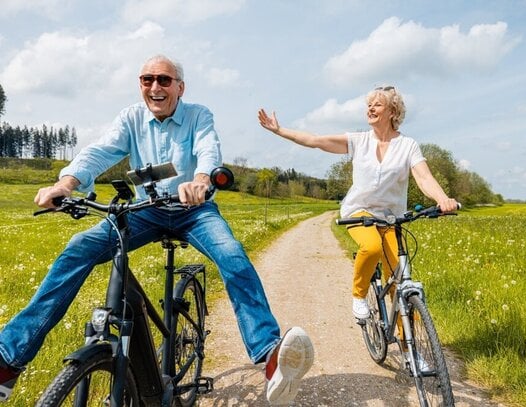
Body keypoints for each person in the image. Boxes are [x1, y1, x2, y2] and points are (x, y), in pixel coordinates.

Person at [0, 55, 313, 405]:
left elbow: (208, 149)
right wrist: (67, 184)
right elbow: (100, 152)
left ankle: (269, 356)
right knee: (78, 247)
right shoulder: (131, 118)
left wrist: (200, 179)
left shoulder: (198, 115)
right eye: (146, 79)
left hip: (194, 209)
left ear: (180, 86)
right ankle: (9, 360)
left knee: (232, 255)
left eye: (164, 80)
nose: (155, 87)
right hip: (145, 211)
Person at [258, 85, 458, 321]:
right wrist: (279, 130)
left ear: (393, 111)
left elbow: (424, 177)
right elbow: (315, 140)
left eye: (377, 104)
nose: (370, 108)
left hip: (391, 217)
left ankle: (410, 352)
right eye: (369, 104)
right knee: (372, 247)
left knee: (400, 278)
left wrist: (442, 198)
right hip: (358, 212)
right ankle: (359, 295)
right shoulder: (358, 141)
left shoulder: (408, 146)